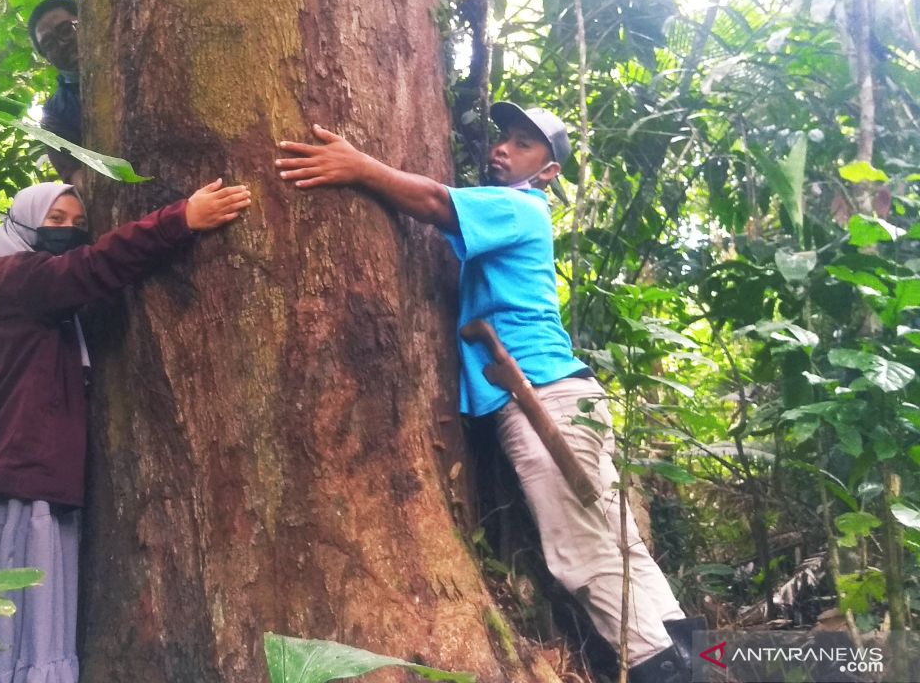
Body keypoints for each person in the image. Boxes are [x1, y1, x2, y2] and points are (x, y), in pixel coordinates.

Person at [275, 105, 701, 683]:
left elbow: (433, 202)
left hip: (539, 393)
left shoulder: (519, 209)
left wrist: (358, 166)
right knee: (617, 538)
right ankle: (693, 657)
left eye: (523, 145)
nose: (502, 149)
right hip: (569, 393)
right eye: (504, 139)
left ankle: (660, 670)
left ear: (549, 171)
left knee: (580, 549)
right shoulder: (516, 212)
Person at [0, 177, 252, 682]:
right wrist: (181, 218)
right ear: (21, 223)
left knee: (4, 623)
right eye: (54, 220)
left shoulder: (36, 292)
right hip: (15, 475)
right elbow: (94, 267)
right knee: (9, 626)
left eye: (78, 224)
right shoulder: (15, 276)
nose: (68, 231)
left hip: (19, 468)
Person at [27, 0, 85, 184]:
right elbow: (77, 178)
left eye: (66, 30)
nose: (61, 44)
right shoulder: (55, 113)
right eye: (49, 45)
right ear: (47, 59)